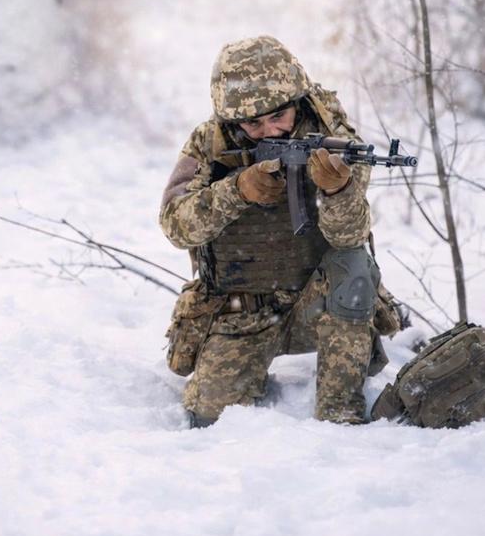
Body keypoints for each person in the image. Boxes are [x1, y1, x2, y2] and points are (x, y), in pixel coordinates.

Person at [159, 35, 401, 427]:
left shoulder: (332, 135)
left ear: (297, 102)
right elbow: (175, 225)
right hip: (241, 310)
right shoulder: (210, 142)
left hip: (315, 303)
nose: (270, 131)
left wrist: (337, 190)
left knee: (354, 265)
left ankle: (340, 408)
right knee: (208, 417)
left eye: (278, 117)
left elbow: (349, 237)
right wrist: (237, 191)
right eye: (253, 123)